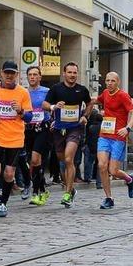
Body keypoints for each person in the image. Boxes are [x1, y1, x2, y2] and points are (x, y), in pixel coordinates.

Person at [0, 61, 33, 217]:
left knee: (9, 174)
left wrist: (21, 111)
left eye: (13, 73)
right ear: (2, 73)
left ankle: (3, 202)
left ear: (16, 75)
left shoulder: (23, 93)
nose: (9, 76)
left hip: (15, 138)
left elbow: (29, 117)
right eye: (7, 73)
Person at [43, 62, 94, 208]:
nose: (72, 75)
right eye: (70, 72)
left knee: (68, 158)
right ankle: (70, 189)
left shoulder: (82, 90)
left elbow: (90, 103)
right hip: (59, 129)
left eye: (75, 72)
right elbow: (44, 104)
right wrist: (53, 107)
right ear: (64, 74)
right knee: (62, 162)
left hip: (75, 128)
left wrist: (85, 116)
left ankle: (66, 193)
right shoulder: (56, 89)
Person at [95, 72, 133, 209]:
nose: (109, 83)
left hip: (118, 137)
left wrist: (128, 128)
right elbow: (97, 100)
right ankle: (109, 198)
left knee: (113, 171)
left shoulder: (123, 95)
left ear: (118, 82)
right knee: (102, 166)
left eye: (112, 81)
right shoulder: (105, 93)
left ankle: (130, 179)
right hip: (104, 134)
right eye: (107, 80)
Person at [25, 66, 52, 206]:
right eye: (30, 74)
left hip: (42, 128)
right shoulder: (23, 92)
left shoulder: (46, 91)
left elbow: (53, 107)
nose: (33, 77)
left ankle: (35, 192)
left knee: (36, 158)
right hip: (27, 129)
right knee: (34, 162)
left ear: (40, 77)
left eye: (35, 74)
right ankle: (42, 189)